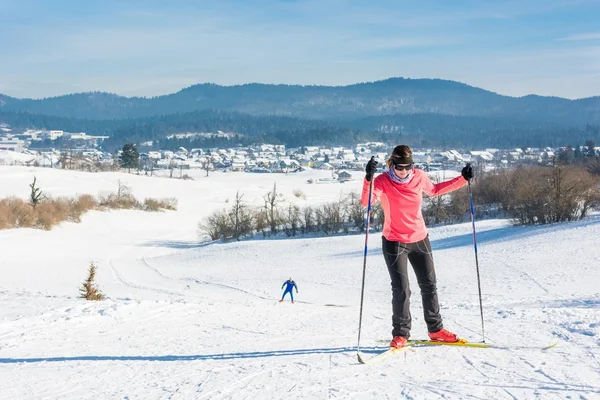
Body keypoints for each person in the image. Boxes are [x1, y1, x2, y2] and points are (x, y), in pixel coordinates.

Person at [361, 145, 474, 349]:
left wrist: (463, 179)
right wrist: (368, 179)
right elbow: (366, 202)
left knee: (429, 285)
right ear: (392, 164)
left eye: (407, 166)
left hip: (420, 239)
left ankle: (436, 330)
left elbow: (435, 190)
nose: (403, 171)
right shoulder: (383, 181)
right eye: (399, 166)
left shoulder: (419, 177)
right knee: (402, 289)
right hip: (394, 242)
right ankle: (401, 334)